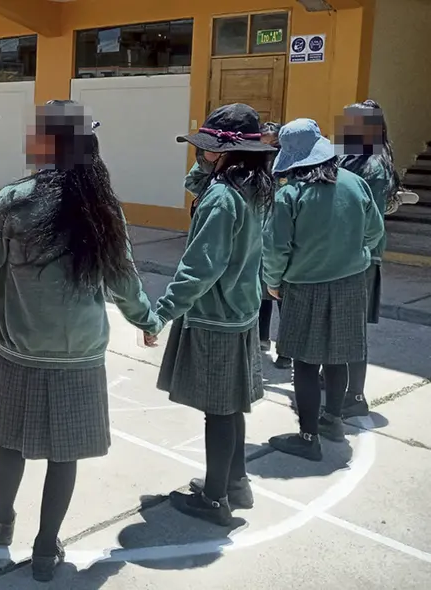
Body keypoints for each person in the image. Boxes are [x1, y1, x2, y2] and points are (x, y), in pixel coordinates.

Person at [0, 100, 161, 582]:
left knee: (12, 443)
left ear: (43, 145)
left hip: (20, 349)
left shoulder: (13, 202)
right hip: (80, 354)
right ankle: (46, 548)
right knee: (65, 454)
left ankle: (2, 525)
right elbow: (123, 277)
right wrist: (146, 319)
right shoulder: (103, 205)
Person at [155, 103, 274, 526]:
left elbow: (200, 267)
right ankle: (235, 482)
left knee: (218, 411)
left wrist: (162, 311)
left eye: (206, 150)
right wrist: (212, 164)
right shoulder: (254, 186)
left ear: (224, 153)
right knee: (231, 406)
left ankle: (215, 499)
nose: (200, 155)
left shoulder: (223, 197)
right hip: (240, 309)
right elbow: (196, 184)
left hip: (216, 316)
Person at [264, 118, 384, 461]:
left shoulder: (289, 193)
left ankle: (308, 436)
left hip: (304, 287)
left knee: (303, 362)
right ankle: (333, 420)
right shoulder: (355, 183)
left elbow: (276, 247)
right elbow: (374, 232)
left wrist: (273, 281)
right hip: (350, 283)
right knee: (338, 355)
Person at [335, 100, 396, 419]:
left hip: (358, 257)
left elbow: (365, 216)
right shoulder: (356, 156)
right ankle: (332, 380)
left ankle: (355, 394)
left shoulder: (372, 165)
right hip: (345, 253)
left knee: (352, 326)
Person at [254, 122, 292, 370]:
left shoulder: (288, 162)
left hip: (281, 235)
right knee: (261, 294)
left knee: (282, 297)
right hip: (261, 234)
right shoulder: (257, 158)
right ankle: (261, 339)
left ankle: (286, 351)